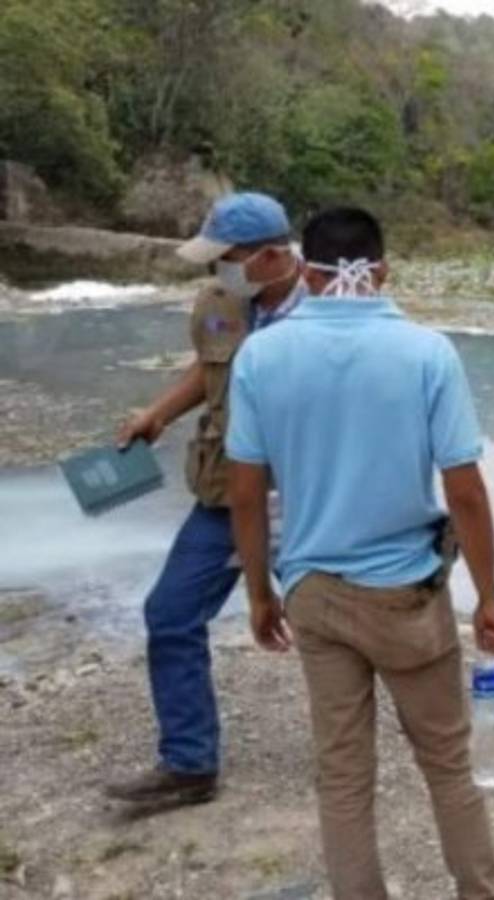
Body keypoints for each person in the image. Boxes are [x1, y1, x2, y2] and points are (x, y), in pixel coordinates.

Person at [225, 207, 494, 899]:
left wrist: (260, 592)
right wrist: (488, 596)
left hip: (315, 590)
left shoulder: (261, 355)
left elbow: (243, 490)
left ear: (306, 270)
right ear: (382, 269)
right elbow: (465, 490)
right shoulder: (425, 352)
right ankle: (480, 890)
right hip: (405, 595)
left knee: (344, 773)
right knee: (446, 761)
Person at [105, 192, 304, 805]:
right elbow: (209, 366)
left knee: (348, 626)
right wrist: (157, 414)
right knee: (170, 614)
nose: (216, 271)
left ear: (271, 256)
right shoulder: (225, 301)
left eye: (227, 258)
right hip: (227, 495)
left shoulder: (331, 310)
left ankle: (427, 744)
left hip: (309, 502)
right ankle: (190, 763)